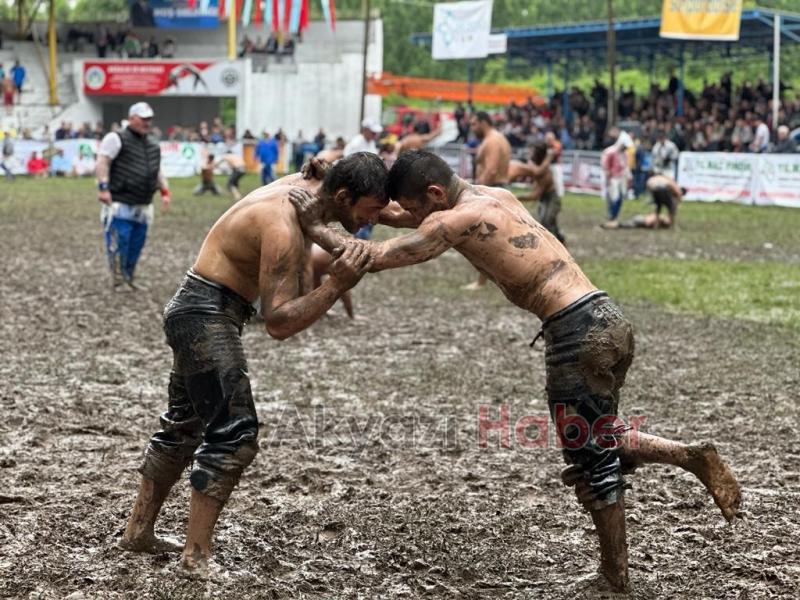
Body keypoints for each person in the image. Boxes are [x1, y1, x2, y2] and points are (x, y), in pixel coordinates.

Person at [289, 149, 742, 595]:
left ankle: (614, 576)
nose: (412, 216)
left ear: (434, 193)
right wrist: (336, 183)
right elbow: (407, 219)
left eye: (415, 207)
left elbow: (373, 255)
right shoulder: (494, 197)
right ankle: (688, 455)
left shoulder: (451, 220)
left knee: (590, 463)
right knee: (598, 433)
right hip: (609, 320)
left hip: (576, 335)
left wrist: (315, 226)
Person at [118, 153, 387, 577]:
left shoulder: (313, 186)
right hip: (204, 314)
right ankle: (196, 557)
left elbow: (365, 198)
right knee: (234, 435)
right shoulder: (280, 223)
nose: (375, 219)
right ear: (342, 196)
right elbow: (279, 323)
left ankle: (138, 532)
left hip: (199, 308)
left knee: (184, 426)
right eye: (371, 211)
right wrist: (336, 283)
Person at [96, 102, 171, 290]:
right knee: (120, 241)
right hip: (120, 202)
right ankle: (119, 279)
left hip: (144, 203)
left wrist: (165, 191)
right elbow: (103, 161)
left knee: (136, 244)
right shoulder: (116, 138)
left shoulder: (153, 143)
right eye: (143, 118)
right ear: (131, 118)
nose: (147, 122)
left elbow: (157, 170)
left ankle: (129, 276)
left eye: (149, 119)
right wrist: (103, 187)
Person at [464, 110, 512, 290]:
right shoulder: (497, 138)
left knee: (484, 237)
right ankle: (487, 280)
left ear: (484, 122)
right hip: (498, 189)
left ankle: (481, 282)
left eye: (474, 123)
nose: (471, 127)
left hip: (492, 190)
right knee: (493, 238)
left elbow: (491, 170)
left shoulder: (492, 140)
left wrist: (475, 194)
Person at [511, 141, 565, 244]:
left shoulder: (543, 173)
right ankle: (560, 243)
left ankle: (558, 245)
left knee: (547, 222)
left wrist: (516, 197)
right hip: (545, 198)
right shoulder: (537, 164)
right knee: (548, 223)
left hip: (551, 198)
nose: (529, 155)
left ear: (537, 154)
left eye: (531, 152)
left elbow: (534, 195)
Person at [615, 174, 683, 229]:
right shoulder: (672, 183)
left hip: (651, 186)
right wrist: (677, 202)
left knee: (659, 206)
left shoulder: (660, 178)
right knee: (671, 207)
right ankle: (673, 225)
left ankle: (656, 225)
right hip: (660, 188)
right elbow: (678, 192)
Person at [601, 131, 631, 229]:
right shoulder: (610, 151)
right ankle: (611, 216)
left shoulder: (625, 154)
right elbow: (605, 165)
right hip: (613, 178)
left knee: (621, 197)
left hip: (621, 178)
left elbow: (625, 166)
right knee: (613, 197)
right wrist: (608, 176)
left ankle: (614, 216)